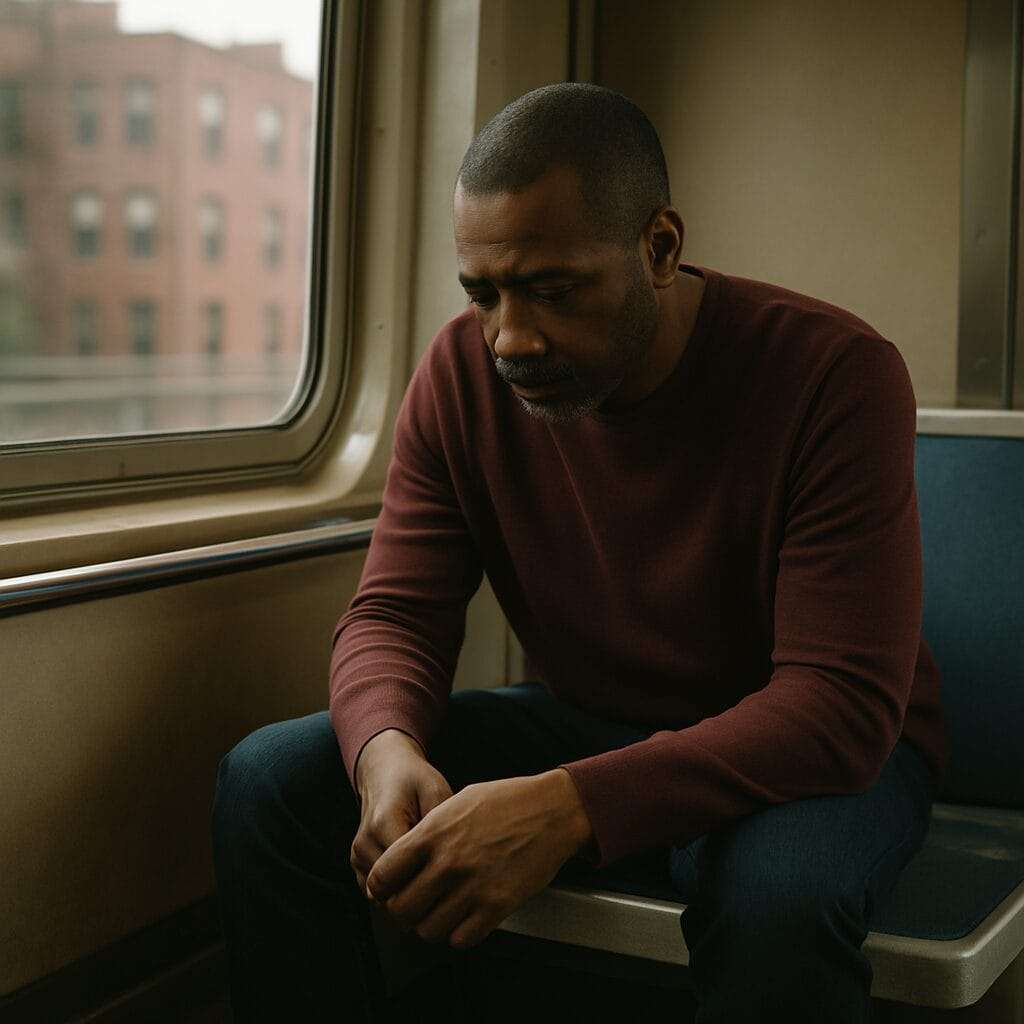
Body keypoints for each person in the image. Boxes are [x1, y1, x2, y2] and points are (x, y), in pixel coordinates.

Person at [211, 83, 947, 1023]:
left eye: (554, 289)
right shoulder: (458, 375)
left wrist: (569, 808)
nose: (510, 337)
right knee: (269, 781)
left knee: (778, 904)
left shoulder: (835, 375)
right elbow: (395, 614)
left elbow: (839, 707)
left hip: (804, 754)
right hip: (592, 719)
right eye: (484, 294)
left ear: (660, 248)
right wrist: (384, 751)